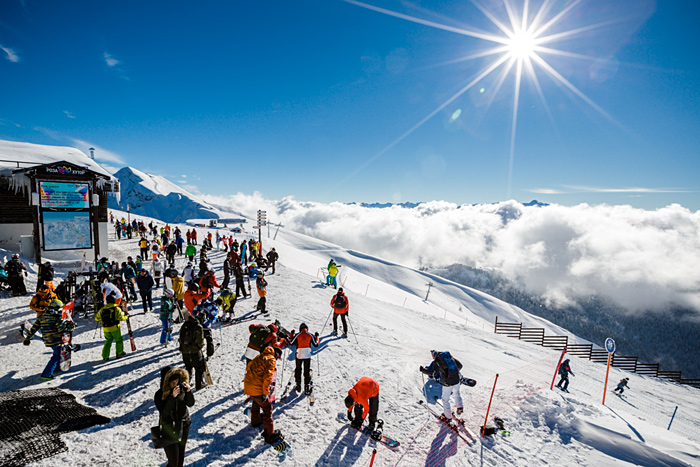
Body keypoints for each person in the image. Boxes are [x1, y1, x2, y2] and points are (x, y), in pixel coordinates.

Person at [23, 299, 75, 380]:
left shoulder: (42, 316)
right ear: (56, 308)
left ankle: (56, 369)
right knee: (56, 356)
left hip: (47, 340)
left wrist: (28, 338)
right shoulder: (57, 317)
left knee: (57, 353)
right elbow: (61, 330)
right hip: (56, 339)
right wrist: (70, 327)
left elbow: (34, 328)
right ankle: (46, 374)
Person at [154, 366, 195, 467]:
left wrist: (189, 392)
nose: (175, 384)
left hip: (183, 425)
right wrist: (172, 398)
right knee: (173, 462)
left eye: (177, 380)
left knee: (180, 458)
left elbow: (190, 403)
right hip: (168, 428)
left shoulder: (181, 389)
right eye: (173, 382)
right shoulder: (159, 395)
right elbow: (164, 413)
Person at [244, 345, 284, 445]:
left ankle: (255, 421)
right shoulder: (271, 359)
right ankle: (270, 434)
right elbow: (267, 376)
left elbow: (248, 367)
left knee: (256, 403)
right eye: (278, 357)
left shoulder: (260, 356)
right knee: (267, 408)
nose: (277, 359)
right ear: (276, 354)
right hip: (257, 388)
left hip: (249, 386)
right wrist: (265, 393)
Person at [420, 350, 464, 421]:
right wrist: (452, 373)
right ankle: (460, 407)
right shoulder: (448, 356)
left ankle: (448, 417)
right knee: (457, 393)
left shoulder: (437, 361)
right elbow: (460, 366)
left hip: (448, 383)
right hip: (457, 380)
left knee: (445, 399)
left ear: (434, 355)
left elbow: (433, 373)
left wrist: (423, 370)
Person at [95, 293, 129, 360]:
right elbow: (121, 318)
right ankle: (119, 353)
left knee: (108, 341)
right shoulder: (116, 309)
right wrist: (126, 316)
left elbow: (97, 318)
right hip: (115, 328)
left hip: (106, 328)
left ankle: (105, 356)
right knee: (118, 340)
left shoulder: (102, 309)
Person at [287, 323, 319, 394]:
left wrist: (291, 335)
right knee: (306, 370)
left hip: (299, 354)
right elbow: (316, 344)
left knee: (298, 369)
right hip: (307, 354)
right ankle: (306, 386)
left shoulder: (298, 335)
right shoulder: (310, 335)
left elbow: (291, 343)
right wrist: (317, 337)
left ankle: (298, 385)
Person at [179, 314, 207, 390]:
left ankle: (186, 384)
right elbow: (200, 341)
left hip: (184, 351)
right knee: (199, 368)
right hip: (195, 352)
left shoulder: (185, 324)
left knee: (188, 368)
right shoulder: (198, 327)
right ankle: (199, 385)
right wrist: (199, 347)